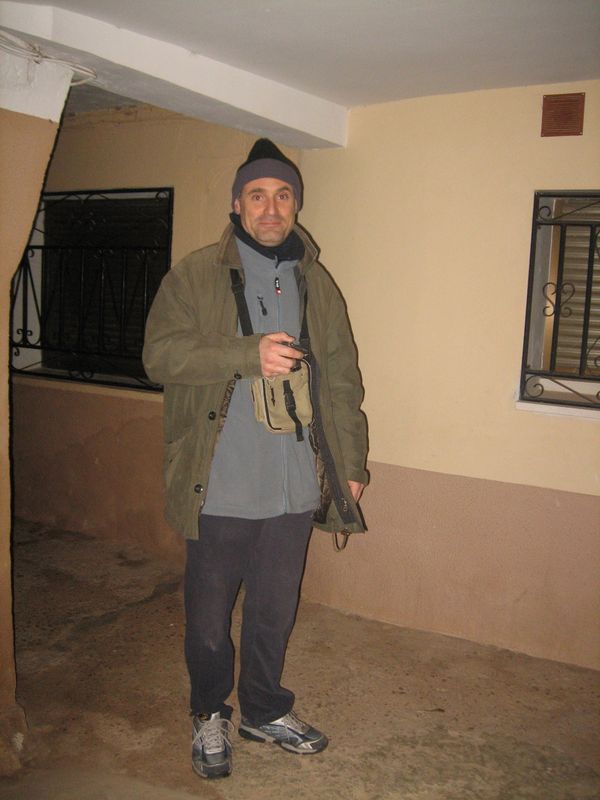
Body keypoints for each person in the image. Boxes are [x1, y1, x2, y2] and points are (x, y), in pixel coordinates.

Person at [143, 138, 368, 779]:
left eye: (283, 195)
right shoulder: (195, 274)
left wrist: (351, 463)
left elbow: (343, 379)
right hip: (220, 482)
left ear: (296, 204)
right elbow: (159, 356)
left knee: (275, 608)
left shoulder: (315, 281)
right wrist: (246, 354)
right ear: (237, 204)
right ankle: (209, 712)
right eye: (257, 195)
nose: (271, 207)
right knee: (209, 615)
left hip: (296, 483)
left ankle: (264, 709)